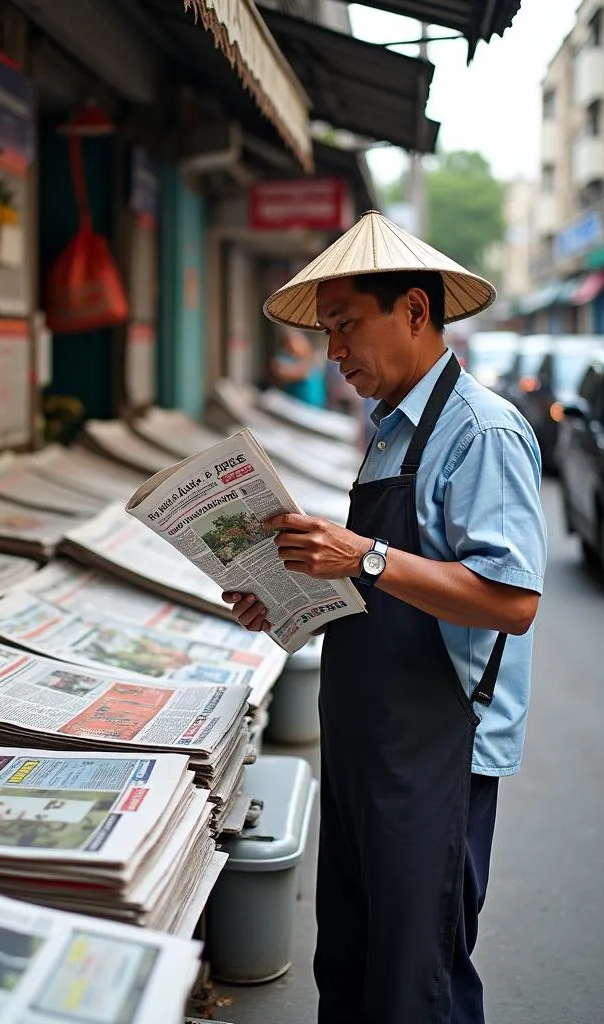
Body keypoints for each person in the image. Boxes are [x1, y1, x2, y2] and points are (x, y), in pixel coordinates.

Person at [226, 211, 547, 1024]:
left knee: (418, 981)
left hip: (438, 751)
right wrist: (292, 600)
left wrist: (361, 556)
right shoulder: (389, 432)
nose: (334, 353)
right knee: (354, 958)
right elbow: (390, 587)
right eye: (327, 330)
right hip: (365, 740)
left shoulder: (481, 430)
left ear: (412, 311)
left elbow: (513, 602)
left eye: (346, 327)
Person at [268, 327, 329, 408]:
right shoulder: (283, 358)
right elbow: (300, 373)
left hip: (317, 406)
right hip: (296, 406)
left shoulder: (310, 355)